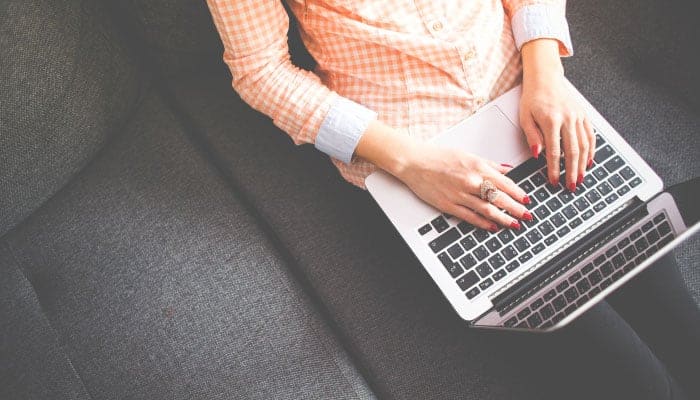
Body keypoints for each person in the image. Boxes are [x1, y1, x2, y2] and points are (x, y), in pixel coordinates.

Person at [206, 1, 700, 398]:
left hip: (529, 102)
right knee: (628, 373)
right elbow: (262, 71)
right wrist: (413, 164)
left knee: (675, 317)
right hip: (419, 162)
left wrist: (547, 76)